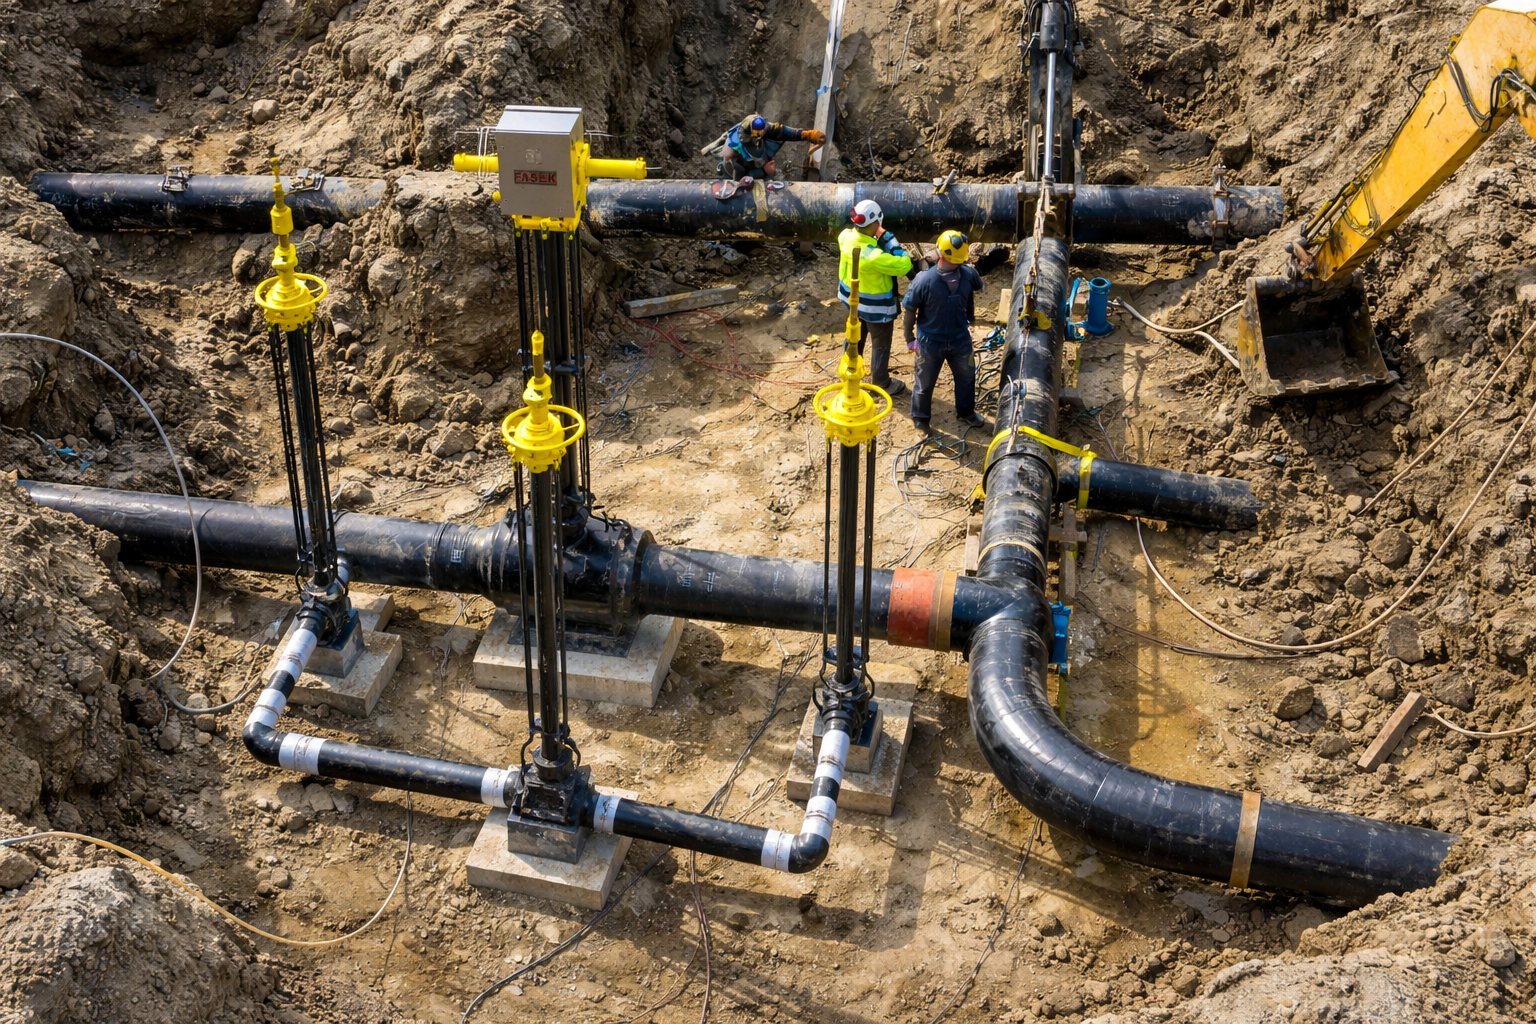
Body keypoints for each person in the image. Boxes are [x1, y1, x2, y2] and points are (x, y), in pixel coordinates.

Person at [902, 230, 987, 433]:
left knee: (967, 377)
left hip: (959, 339)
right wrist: (910, 338)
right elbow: (910, 310)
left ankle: (965, 411)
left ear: (940, 253)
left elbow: (909, 311)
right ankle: (921, 417)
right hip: (930, 342)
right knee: (924, 382)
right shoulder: (924, 281)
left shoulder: (967, 275)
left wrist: (909, 337)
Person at [838, 199, 912, 397]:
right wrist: (888, 239)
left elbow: (856, 238)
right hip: (875, 309)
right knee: (880, 344)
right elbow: (904, 264)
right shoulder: (874, 256)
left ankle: (850, 371)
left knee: (854, 336)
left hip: (852, 302)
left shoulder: (844, 237)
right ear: (876, 223)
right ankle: (880, 382)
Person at [718, 115, 825, 181]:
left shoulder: (762, 128)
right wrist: (765, 172)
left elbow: (782, 132)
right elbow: (742, 180)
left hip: (759, 163)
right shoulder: (734, 152)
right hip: (742, 176)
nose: (759, 136)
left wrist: (808, 135)